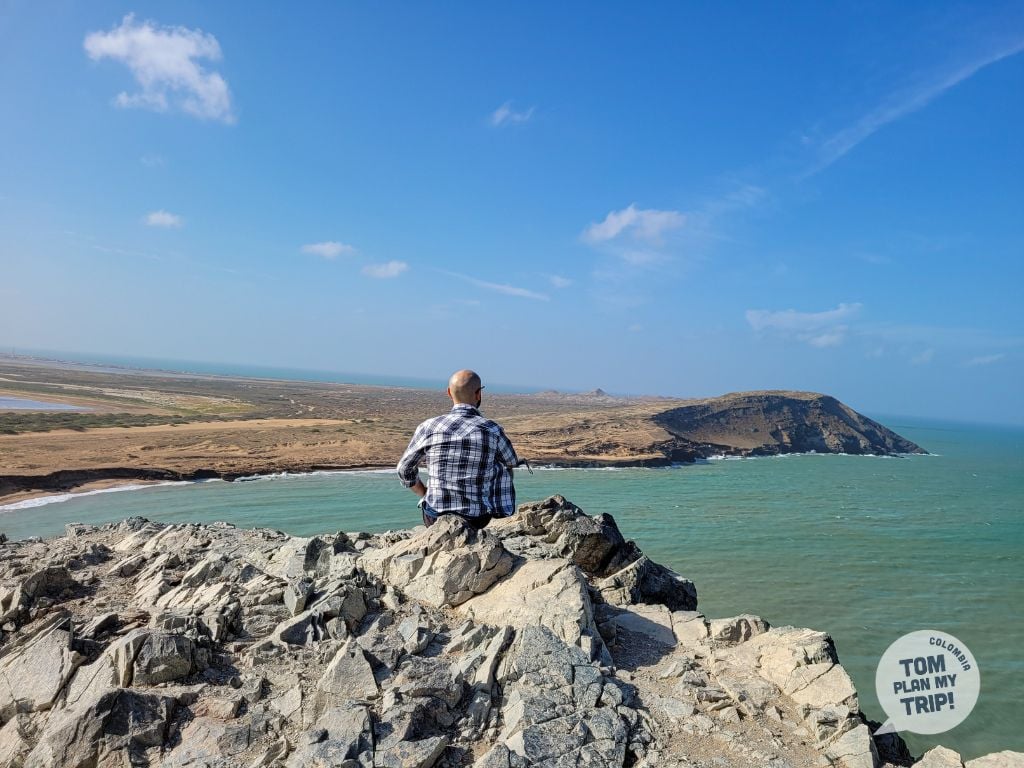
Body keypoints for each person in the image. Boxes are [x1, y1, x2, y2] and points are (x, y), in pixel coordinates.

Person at [397, 369, 521, 530]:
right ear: (478, 395)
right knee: (503, 466)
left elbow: (404, 469)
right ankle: (499, 509)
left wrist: (424, 493)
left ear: (449, 393)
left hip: (434, 516)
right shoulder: (492, 429)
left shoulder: (428, 427)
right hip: (477, 518)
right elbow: (511, 461)